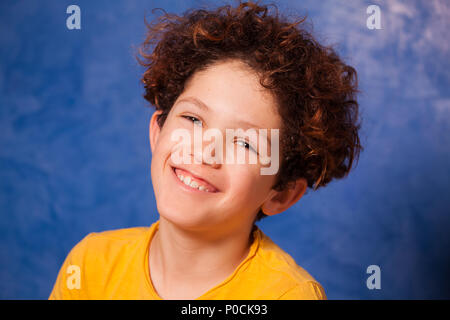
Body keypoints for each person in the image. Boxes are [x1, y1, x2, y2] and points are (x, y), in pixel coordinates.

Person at [49, 0, 362, 300]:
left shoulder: (286, 295)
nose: (205, 152)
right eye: (193, 118)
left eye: (245, 143)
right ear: (158, 132)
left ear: (280, 194)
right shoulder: (90, 264)